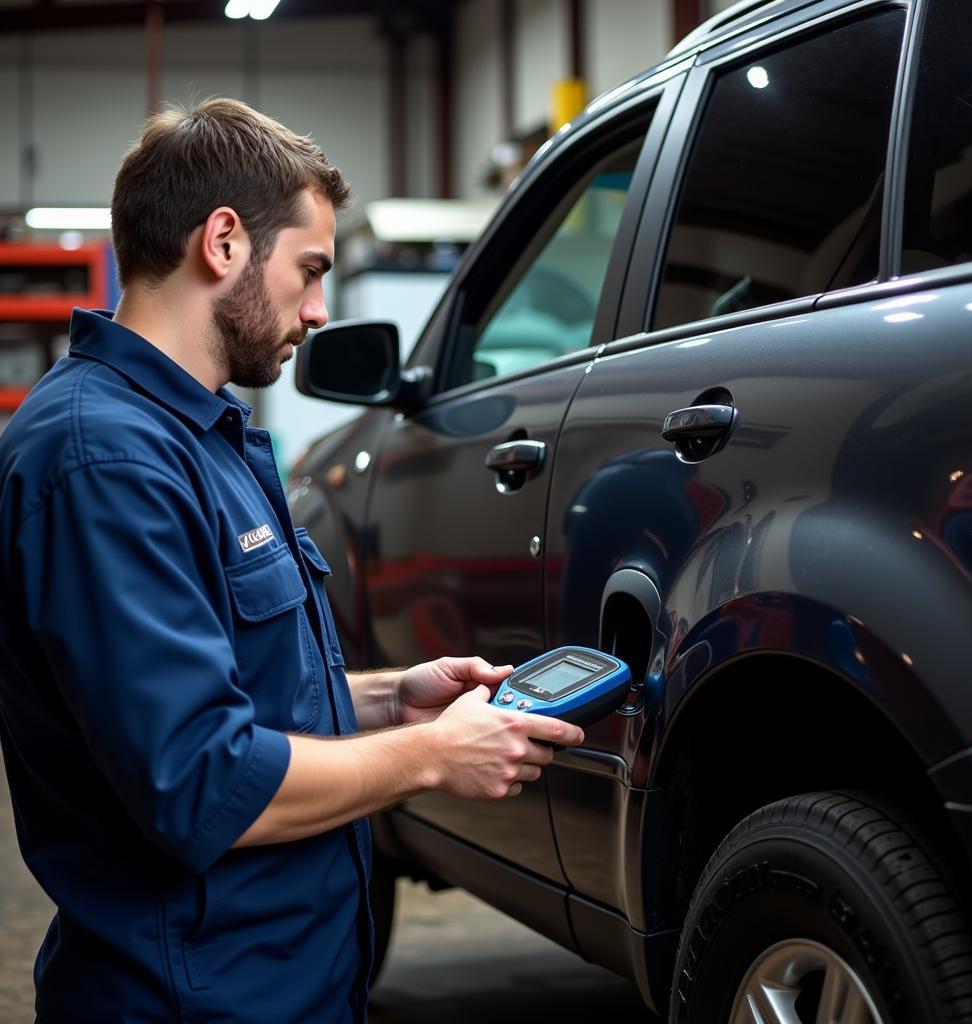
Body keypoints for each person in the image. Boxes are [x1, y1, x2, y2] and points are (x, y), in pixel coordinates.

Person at [0, 98, 584, 1024]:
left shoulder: (204, 436)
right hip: (191, 998)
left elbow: (227, 688)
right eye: (310, 271)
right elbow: (201, 780)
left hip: (280, 978)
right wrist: (432, 755)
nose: (317, 312)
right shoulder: (103, 461)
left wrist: (392, 698)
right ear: (223, 242)